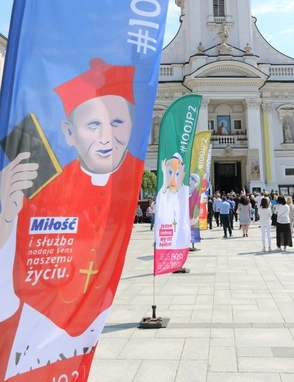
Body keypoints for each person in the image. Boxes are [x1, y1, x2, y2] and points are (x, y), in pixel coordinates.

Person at [0, 58, 144, 379]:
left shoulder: (135, 174)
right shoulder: (41, 186)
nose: (107, 138)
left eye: (117, 123)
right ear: (69, 132)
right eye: (93, 125)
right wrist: (6, 220)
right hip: (38, 332)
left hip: (91, 322)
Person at [154, 152, 190, 250]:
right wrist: (165, 184)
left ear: (183, 175)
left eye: (177, 174)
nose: (173, 178)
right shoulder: (163, 193)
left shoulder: (185, 191)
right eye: (170, 172)